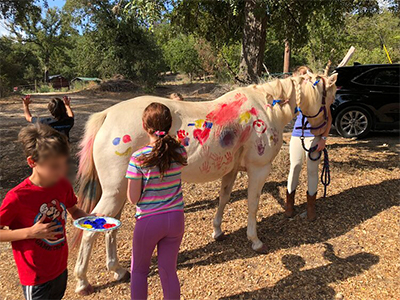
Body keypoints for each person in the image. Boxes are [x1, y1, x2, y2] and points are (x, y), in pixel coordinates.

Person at [0, 124, 100, 300]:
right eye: (54, 166)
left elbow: (74, 210)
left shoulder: (62, 185)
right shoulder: (17, 197)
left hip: (60, 269)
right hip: (35, 277)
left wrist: (92, 220)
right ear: (32, 162)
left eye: (64, 164)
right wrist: (30, 233)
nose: (62, 171)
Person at [126, 102, 187, 300]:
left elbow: (133, 198)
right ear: (170, 127)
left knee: (139, 271)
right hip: (176, 219)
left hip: (149, 221)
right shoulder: (180, 152)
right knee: (168, 271)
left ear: (144, 126)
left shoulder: (138, 158)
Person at [285, 66, 332, 221]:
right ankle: (289, 203)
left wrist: (323, 139)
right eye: (302, 74)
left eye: (306, 74)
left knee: (312, 171)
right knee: (295, 167)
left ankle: (310, 206)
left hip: (315, 136)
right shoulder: (296, 94)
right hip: (297, 135)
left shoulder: (319, 94)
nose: (304, 76)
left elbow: (329, 117)